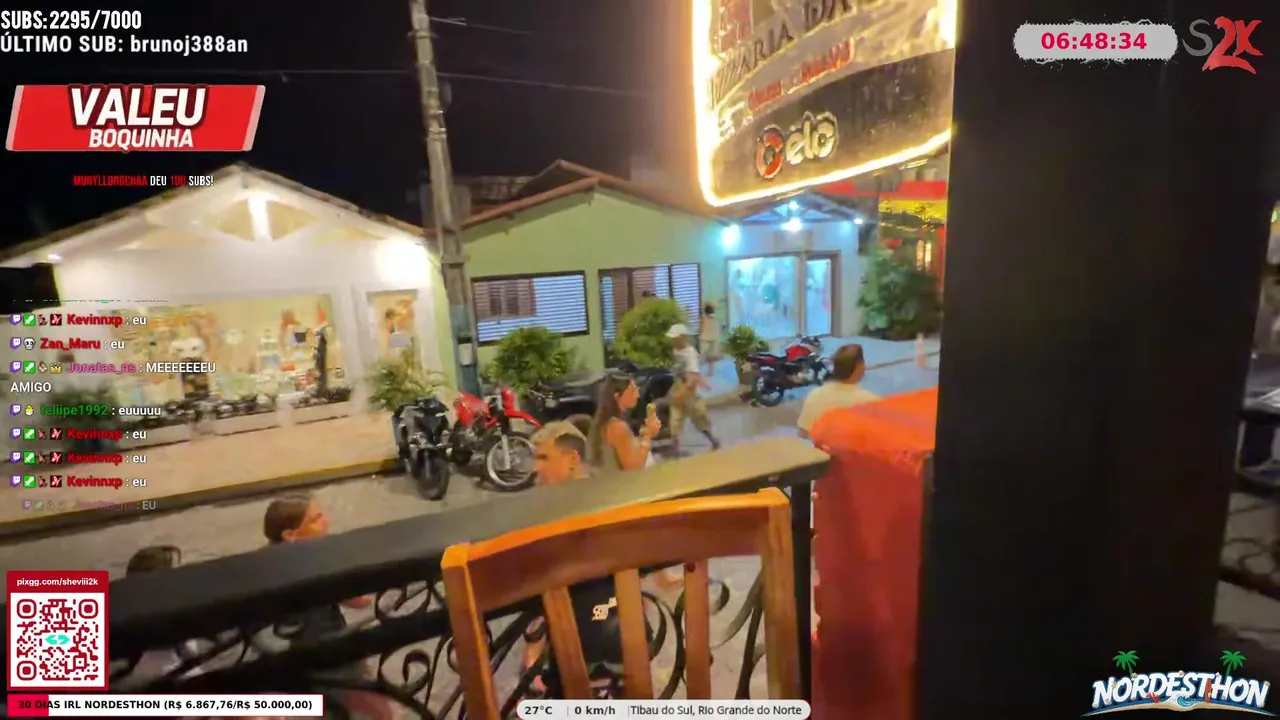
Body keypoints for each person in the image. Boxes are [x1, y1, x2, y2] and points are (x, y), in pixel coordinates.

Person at [264, 497, 391, 719]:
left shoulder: (266, 562)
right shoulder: (317, 563)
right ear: (290, 534)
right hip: (332, 650)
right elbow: (359, 601)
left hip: (295, 657)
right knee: (379, 712)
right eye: (315, 519)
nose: (325, 522)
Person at [524, 422, 624, 699]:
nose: (536, 468)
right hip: (617, 632)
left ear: (572, 459)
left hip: (583, 641)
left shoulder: (562, 510)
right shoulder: (606, 493)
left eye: (544, 457)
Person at [797, 343, 879, 439]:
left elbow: (803, 433)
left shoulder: (815, 394)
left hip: (822, 447)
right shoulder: (870, 401)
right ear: (859, 367)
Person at [587, 374, 661, 472]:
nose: (637, 395)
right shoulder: (617, 426)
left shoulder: (604, 422)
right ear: (617, 396)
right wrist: (648, 435)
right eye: (633, 391)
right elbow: (634, 468)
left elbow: (626, 450)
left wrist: (644, 436)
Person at [666, 323, 721, 455]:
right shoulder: (675, 350)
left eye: (675, 337)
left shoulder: (690, 352)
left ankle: (713, 440)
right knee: (675, 420)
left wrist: (681, 392)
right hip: (678, 386)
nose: (673, 340)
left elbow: (693, 377)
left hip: (688, 390)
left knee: (698, 416)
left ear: (682, 337)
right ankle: (675, 448)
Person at [699, 302, 720, 377]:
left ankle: (707, 371)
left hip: (705, 339)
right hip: (713, 339)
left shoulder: (703, 318)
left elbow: (701, 329)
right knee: (710, 357)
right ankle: (710, 372)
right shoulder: (715, 318)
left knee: (705, 357)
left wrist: (700, 334)